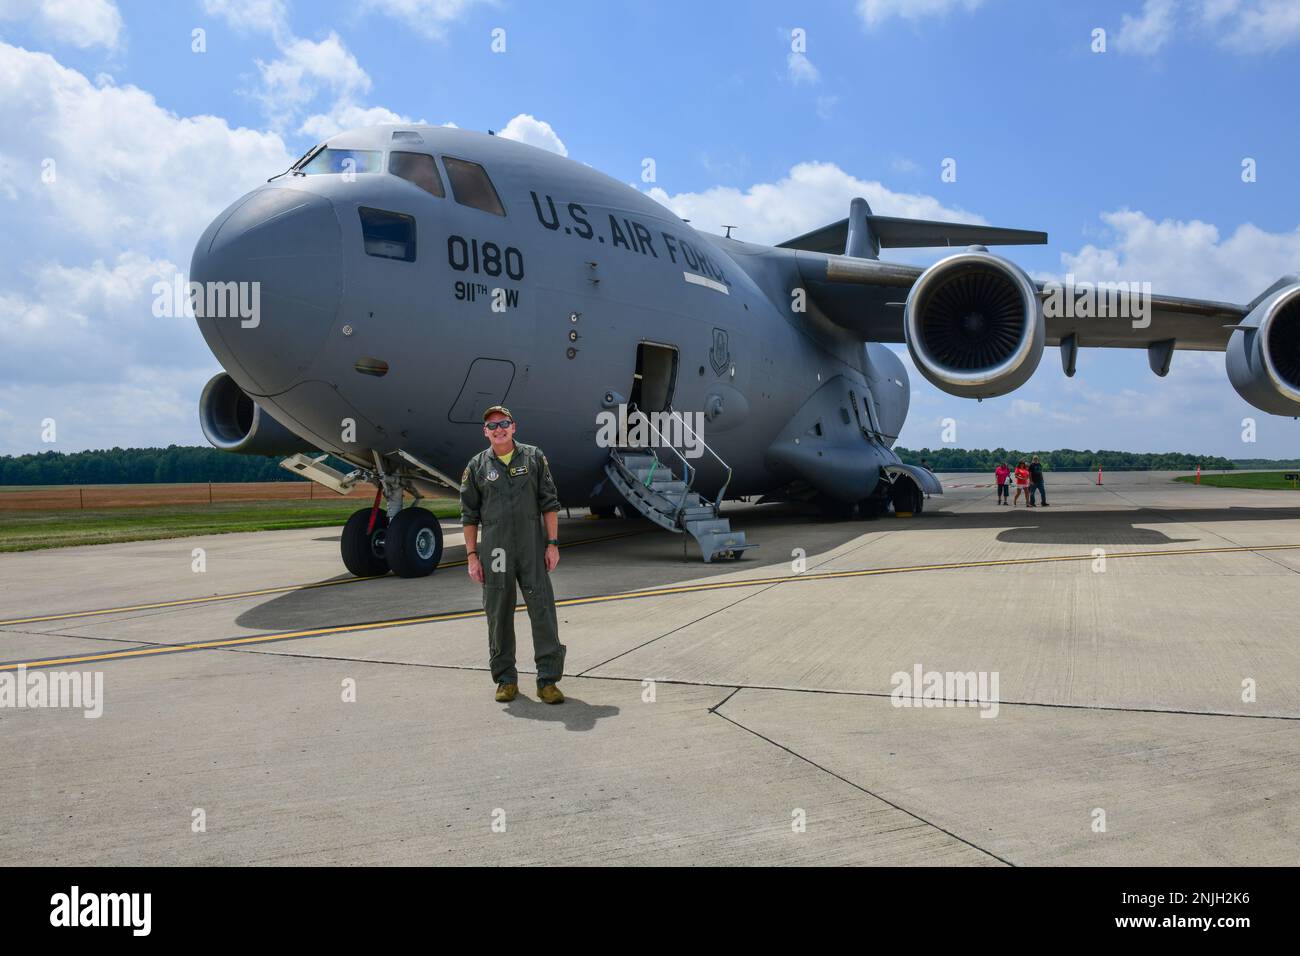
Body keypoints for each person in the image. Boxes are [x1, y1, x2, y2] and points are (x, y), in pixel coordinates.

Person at [460, 405, 566, 704]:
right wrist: (471, 556)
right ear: (485, 432)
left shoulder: (534, 458)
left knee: (543, 611)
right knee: (498, 614)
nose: (499, 429)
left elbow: (549, 503)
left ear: (514, 427)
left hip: (531, 547)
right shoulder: (478, 466)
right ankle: (505, 679)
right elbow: (469, 516)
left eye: (503, 423)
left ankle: (547, 680)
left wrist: (553, 543)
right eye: (492, 426)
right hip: (495, 551)